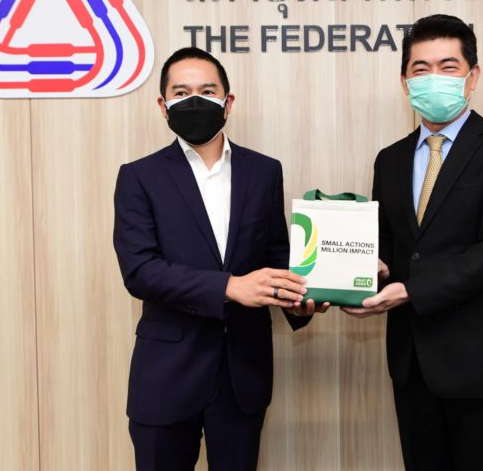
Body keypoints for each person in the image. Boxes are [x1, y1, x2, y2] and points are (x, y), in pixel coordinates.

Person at [113, 47, 328, 471]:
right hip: (167, 374)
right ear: (163, 105)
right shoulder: (139, 176)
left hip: (241, 373)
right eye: (181, 92)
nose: (195, 100)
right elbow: (140, 271)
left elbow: (275, 253)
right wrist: (230, 287)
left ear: (228, 102)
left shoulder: (264, 171)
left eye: (207, 91)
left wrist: (299, 300)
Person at [343, 14, 483, 470]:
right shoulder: (390, 159)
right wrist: (367, 271)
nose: (434, 77)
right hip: (412, 360)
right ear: (405, 82)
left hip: (481, 359)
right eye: (421, 68)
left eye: (448, 66)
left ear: (473, 76)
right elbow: (391, 243)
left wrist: (410, 290)